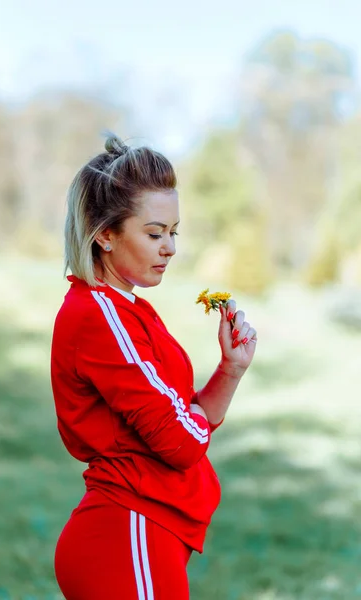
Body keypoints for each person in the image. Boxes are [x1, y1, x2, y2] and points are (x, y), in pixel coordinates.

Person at [50, 134, 257, 600]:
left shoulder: (130, 310)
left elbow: (184, 419)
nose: (170, 248)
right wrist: (189, 422)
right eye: (154, 232)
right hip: (127, 533)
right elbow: (181, 441)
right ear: (104, 233)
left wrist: (231, 368)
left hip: (146, 532)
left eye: (174, 232)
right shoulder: (99, 315)